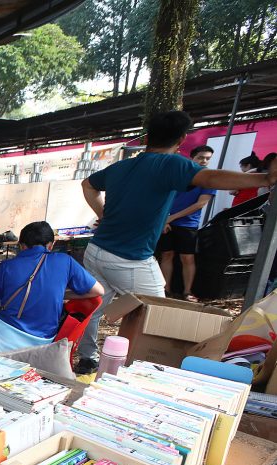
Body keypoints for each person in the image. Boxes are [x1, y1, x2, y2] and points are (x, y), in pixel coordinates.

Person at [76, 111, 277, 374]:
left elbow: (87, 185)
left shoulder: (123, 166)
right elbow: (210, 178)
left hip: (97, 250)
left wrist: (104, 214)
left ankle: (88, 358)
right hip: (131, 258)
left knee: (94, 308)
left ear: (147, 136)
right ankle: (144, 368)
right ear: (182, 139)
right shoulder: (171, 164)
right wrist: (264, 178)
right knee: (159, 317)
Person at [0, 221, 103, 348]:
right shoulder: (65, 261)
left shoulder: (6, 267)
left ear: (22, 246)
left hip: (4, 340)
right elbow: (98, 291)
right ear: (51, 245)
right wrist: (60, 294)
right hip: (43, 343)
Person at [156, 145, 215, 302]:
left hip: (188, 225)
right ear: (192, 158)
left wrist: (172, 217)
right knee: (166, 255)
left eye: (207, 158)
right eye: (201, 157)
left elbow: (200, 204)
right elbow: (164, 197)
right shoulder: (179, 175)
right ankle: (165, 289)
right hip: (167, 221)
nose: (204, 161)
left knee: (187, 258)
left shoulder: (209, 180)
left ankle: (187, 292)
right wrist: (164, 218)